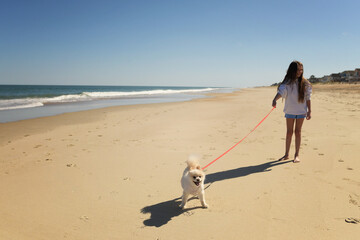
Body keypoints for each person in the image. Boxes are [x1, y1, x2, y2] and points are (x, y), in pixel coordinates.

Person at [272, 61, 312, 163]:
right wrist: (275, 99)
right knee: (289, 132)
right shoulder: (287, 82)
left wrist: (309, 111)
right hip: (290, 110)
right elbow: (281, 92)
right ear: (292, 70)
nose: (300, 72)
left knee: (298, 132)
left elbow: (308, 97)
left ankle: (296, 154)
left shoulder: (305, 83)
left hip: (301, 111)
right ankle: (286, 154)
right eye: (298, 69)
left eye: (301, 70)